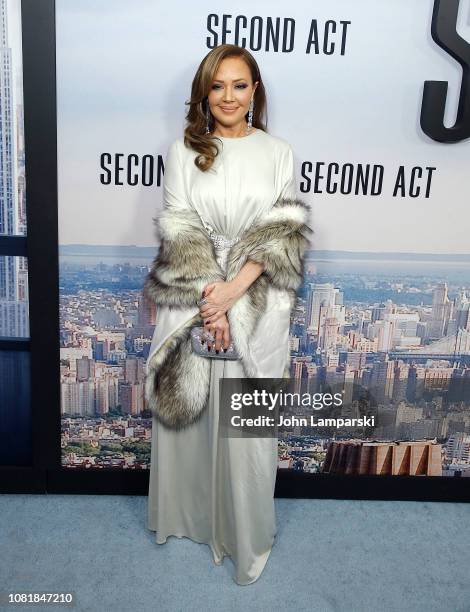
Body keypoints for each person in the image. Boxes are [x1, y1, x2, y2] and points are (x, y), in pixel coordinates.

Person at [144, 44, 312, 586]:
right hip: (193, 298)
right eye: (217, 86)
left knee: (247, 430)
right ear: (203, 94)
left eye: (239, 85)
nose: (229, 97)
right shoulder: (182, 150)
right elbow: (180, 226)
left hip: (258, 298)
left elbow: (283, 228)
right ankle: (190, 518)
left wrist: (233, 292)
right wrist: (209, 302)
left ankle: (244, 532)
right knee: (188, 416)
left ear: (255, 91)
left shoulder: (279, 152)